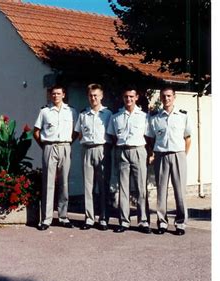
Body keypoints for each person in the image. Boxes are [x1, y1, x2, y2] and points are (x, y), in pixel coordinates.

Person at [146, 87, 192, 235]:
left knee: (180, 191)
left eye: (169, 96)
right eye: (163, 96)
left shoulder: (183, 116)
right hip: (161, 155)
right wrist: (152, 153)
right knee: (161, 190)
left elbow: (188, 138)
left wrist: (183, 154)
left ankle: (180, 224)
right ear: (160, 98)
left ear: (174, 97)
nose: (166, 99)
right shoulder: (155, 118)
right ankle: (162, 223)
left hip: (178, 154)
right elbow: (150, 138)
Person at [33, 85, 78, 231]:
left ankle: (63, 216)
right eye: (53, 94)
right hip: (49, 147)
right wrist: (45, 146)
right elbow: (36, 132)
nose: (56, 96)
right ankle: (46, 219)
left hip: (65, 146)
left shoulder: (71, 111)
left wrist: (69, 142)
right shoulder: (44, 111)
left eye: (58, 93)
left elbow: (76, 131)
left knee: (64, 182)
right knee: (48, 183)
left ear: (64, 94)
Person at [107, 86, 151, 234]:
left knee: (141, 188)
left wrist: (149, 154)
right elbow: (113, 136)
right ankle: (124, 221)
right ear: (123, 98)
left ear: (136, 97)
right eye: (126, 96)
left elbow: (149, 136)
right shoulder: (116, 117)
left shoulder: (144, 116)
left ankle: (143, 221)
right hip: (122, 151)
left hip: (138, 150)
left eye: (131, 96)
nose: (129, 99)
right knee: (123, 188)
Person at [74, 84, 113, 231]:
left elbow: (112, 134)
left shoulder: (108, 114)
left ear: (101, 96)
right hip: (87, 149)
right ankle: (89, 218)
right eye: (91, 95)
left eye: (96, 95)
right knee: (88, 186)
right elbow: (79, 133)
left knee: (103, 186)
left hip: (103, 149)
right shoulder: (83, 114)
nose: (93, 98)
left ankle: (103, 218)